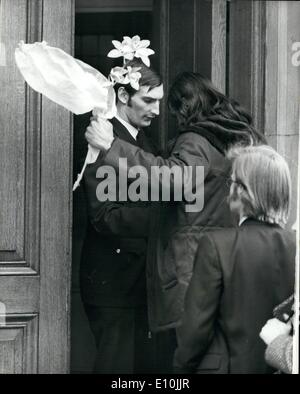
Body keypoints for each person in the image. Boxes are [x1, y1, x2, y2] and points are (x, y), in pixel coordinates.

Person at [85, 72, 266, 364]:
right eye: (149, 101)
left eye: (167, 107)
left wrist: (112, 146)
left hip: (189, 270)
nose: (159, 114)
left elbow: (176, 180)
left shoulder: (196, 140)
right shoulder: (230, 141)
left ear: (185, 108)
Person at [173, 145, 295, 374]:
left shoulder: (217, 245)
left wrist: (180, 370)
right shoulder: (296, 247)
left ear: (241, 191)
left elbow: (194, 330)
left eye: (232, 182)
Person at [80, 58, 164, 373]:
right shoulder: (103, 136)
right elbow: (104, 216)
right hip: (113, 282)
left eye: (159, 101)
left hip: (137, 278)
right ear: (124, 97)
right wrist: (162, 219)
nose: (156, 110)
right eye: (148, 100)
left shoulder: (144, 140)